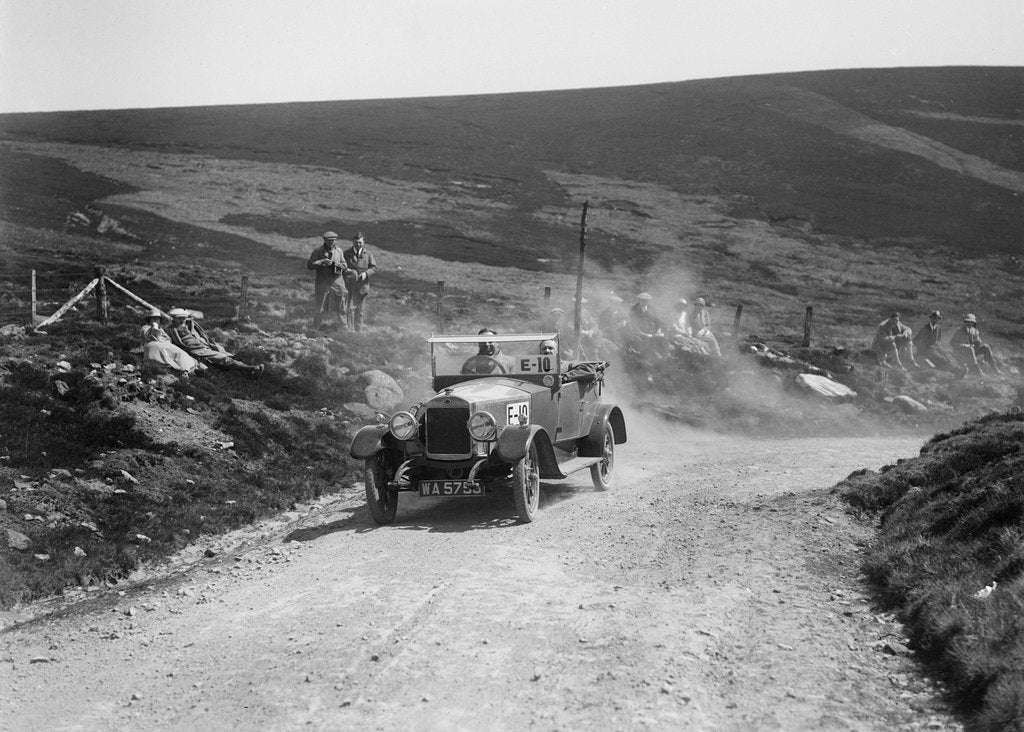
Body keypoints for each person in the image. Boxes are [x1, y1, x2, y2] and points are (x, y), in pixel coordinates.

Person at [168, 308, 264, 376]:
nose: (182, 320)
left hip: (207, 345)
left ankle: (248, 368)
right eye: (179, 318)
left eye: (183, 318)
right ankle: (251, 368)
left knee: (227, 354)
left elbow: (205, 331)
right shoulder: (172, 330)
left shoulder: (191, 325)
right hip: (199, 351)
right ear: (173, 319)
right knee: (223, 359)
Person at [306, 231, 347, 329]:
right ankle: (315, 328)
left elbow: (345, 265)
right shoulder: (318, 251)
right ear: (324, 240)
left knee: (341, 307)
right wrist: (321, 262)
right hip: (323, 283)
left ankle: (344, 328)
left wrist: (338, 265)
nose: (331, 242)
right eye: (329, 241)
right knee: (320, 308)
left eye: (333, 240)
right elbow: (310, 265)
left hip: (337, 282)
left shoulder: (339, 251)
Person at [140, 308, 200, 375]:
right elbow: (152, 338)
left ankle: (189, 368)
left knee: (180, 353)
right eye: (153, 318)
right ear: (149, 319)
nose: (155, 320)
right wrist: (155, 327)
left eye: (157, 318)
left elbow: (168, 339)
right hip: (153, 345)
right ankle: (183, 370)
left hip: (165, 345)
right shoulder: (145, 327)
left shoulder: (161, 329)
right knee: (170, 352)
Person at [342, 231, 378, 332]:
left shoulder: (368, 254)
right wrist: (349, 272)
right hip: (350, 286)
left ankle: (359, 332)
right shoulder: (346, 253)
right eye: (356, 242)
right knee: (350, 309)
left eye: (360, 242)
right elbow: (342, 267)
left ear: (364, 242)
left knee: (360, 311)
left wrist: (365, 274)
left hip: (363, 287)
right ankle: (350, 331)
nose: (358, 244)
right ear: (353, 242)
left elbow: (374, 268)